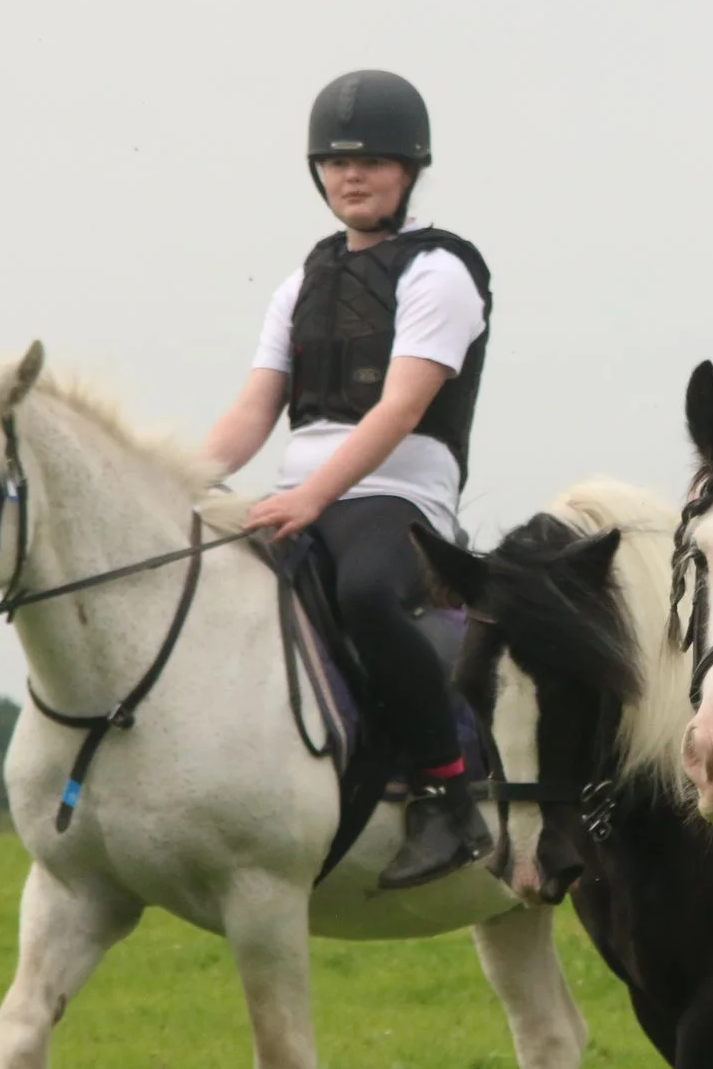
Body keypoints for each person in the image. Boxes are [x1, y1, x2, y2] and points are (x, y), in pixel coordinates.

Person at [203, 68, 496, 890]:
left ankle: (448, 791)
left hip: (400, 495)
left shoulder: (440, 272)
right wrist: (180, 482)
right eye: (335, 163)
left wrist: (314, 497)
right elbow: (254, 411)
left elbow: (400, 410)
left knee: (366, 592)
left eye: (370, 161)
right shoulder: (302, 283)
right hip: (304, 488)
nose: (351, 176)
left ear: (409, 170)